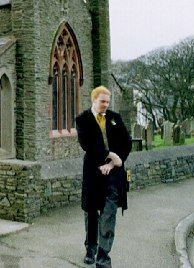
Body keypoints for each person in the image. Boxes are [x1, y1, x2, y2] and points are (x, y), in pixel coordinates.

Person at [76, 86, 132, 268]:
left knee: (108, 215)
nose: (105, 105)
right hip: (93, 174)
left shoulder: (115, 118)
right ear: (94, 100)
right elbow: (88, 145)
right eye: (102, 101)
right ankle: (90, 249)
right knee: (91, 213)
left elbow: (126, 143)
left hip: (113, 176)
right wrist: (110, 154)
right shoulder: (83, 120)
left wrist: (113, 162)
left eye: (107, 102)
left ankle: (103, 256)